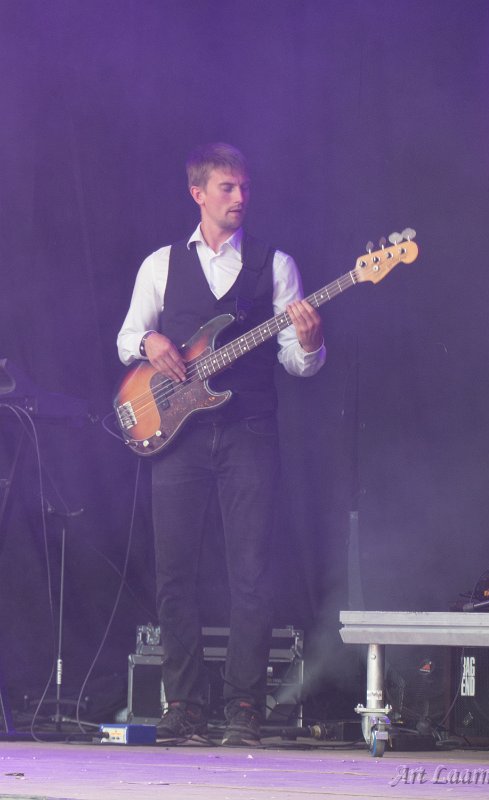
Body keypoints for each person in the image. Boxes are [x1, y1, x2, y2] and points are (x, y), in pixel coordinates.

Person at [117, 142, 325, 746]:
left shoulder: (275, 265)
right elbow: (127, 337)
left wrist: (311, 342)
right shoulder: (160, 264)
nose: (240, 197)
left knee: (251, 573)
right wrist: (150, 343)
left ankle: (244, 705)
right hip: (177, 436)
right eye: (227, 188)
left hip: (249, 431)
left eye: (244, 187)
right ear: (198, 193)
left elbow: (297, 363)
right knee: (174, 574)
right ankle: (184, 705)